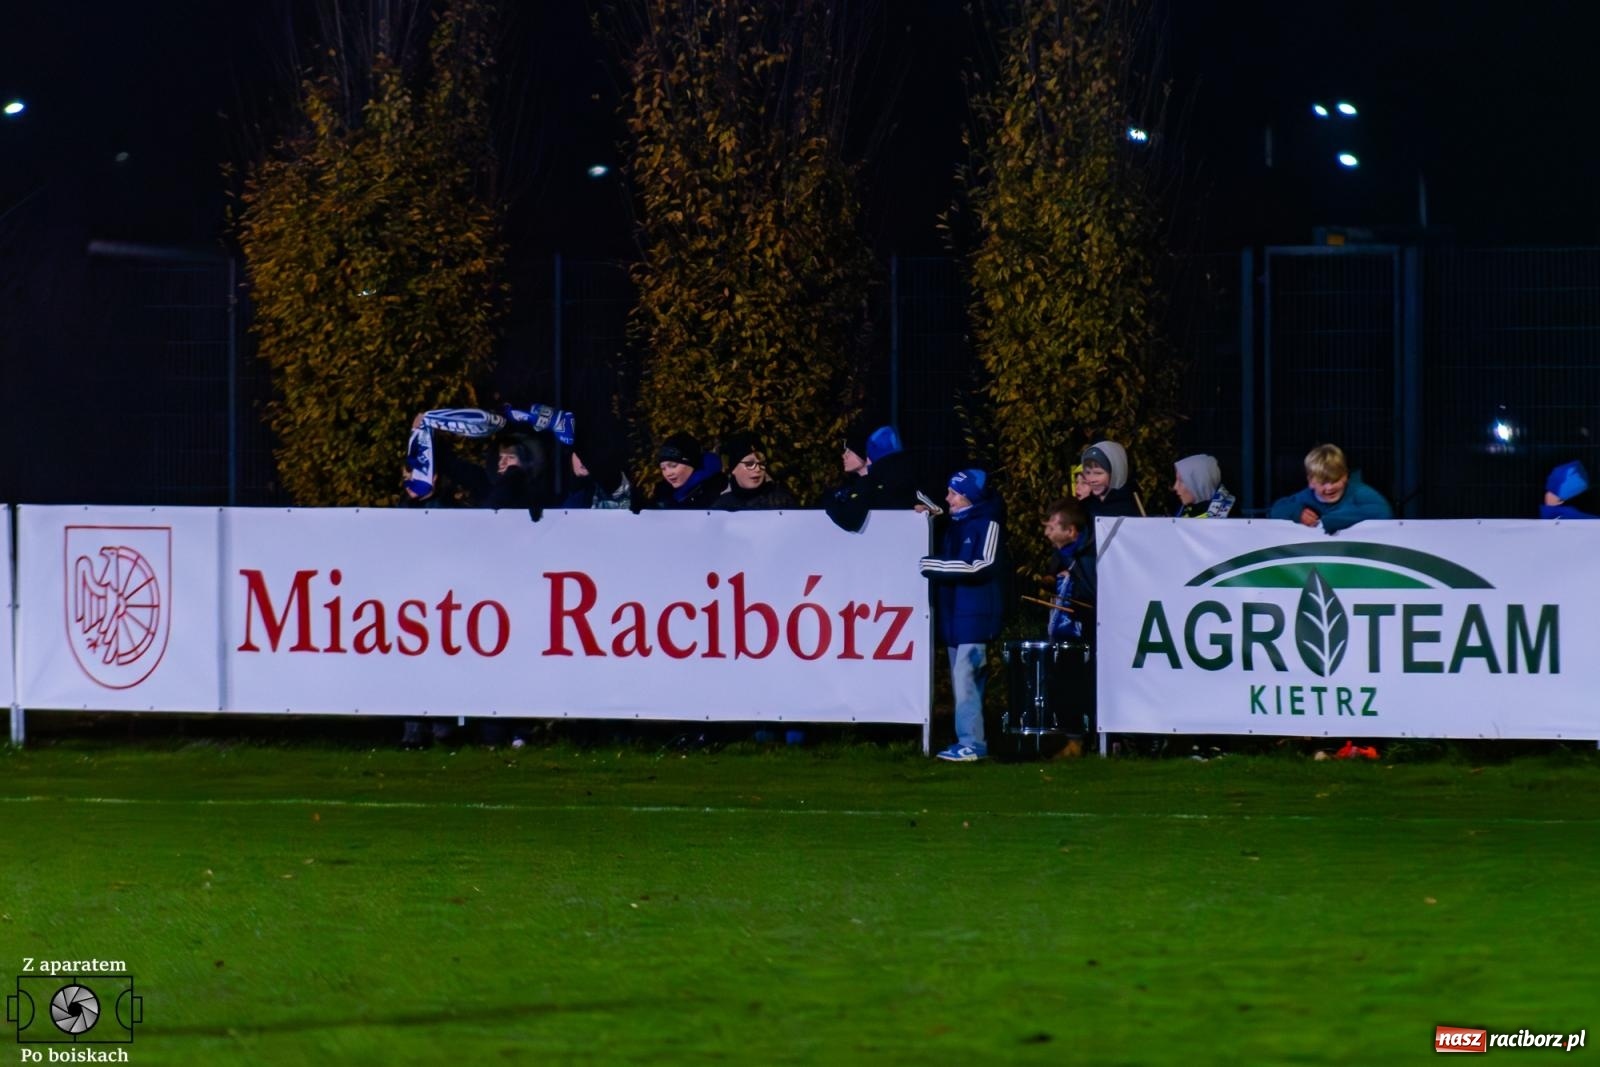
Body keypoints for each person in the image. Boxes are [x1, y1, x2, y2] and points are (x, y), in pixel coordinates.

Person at [920, 469, 1005, 762]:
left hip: (975, 618)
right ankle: (967, 740)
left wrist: (933, 566)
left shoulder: (988, 523)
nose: (948, 498)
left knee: (966, 678)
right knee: (962, 681)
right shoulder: (956, 525)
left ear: (969, 497)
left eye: (954, 493)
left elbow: (982, 565)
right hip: (955, 617)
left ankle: (973, 743)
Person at [1042, 497, 1097, 750]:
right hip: (1070, 630)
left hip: (1087, 631)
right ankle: (1073, 739)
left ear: (1071, 531)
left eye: (1052, 527)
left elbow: (1092, 593)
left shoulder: (1086, 556)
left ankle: (1083, 740)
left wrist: (1072, 588)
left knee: (1081, 683)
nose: (1047, 532)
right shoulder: (1064, 555)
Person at [823, 424, 941, 532]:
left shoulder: (879, 482)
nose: (844, 456)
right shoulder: (858, 486)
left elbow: (850, 520)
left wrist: (828, 502)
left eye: (850, 451)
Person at [1268, 444, 1392, 533]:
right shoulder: (1305, 497)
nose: (1329, 488)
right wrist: (1297, 513)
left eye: (1335, 480)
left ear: (1345, 476)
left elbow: (1383, 512)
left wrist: (1327, 522)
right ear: (1311, 482)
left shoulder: (1359, 492)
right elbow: (1275, 510)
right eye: (1323, 483)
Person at [712, 431, 798, 510]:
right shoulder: (721, 506)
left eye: (762, 463)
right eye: (749, 464)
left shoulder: (782, 501)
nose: (757, 469)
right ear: (733, 469)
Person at [649, 431, 727, 509]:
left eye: (673, 466)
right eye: (663, 468)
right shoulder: (663, 496)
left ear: (692, 463)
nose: (668, 473)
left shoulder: (719, 493)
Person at [1080, 441, 1142, 517]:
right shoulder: (1084, 507)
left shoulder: (1131, 508)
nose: (1091, 479)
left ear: (1116, 473)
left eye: (1098, 473)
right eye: (1088, 472)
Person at [1173, 454, 1236, 518]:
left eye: (1181, 481)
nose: (1175, 487)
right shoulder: (1185, 512)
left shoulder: (1231, 518)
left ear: (1199, 482)